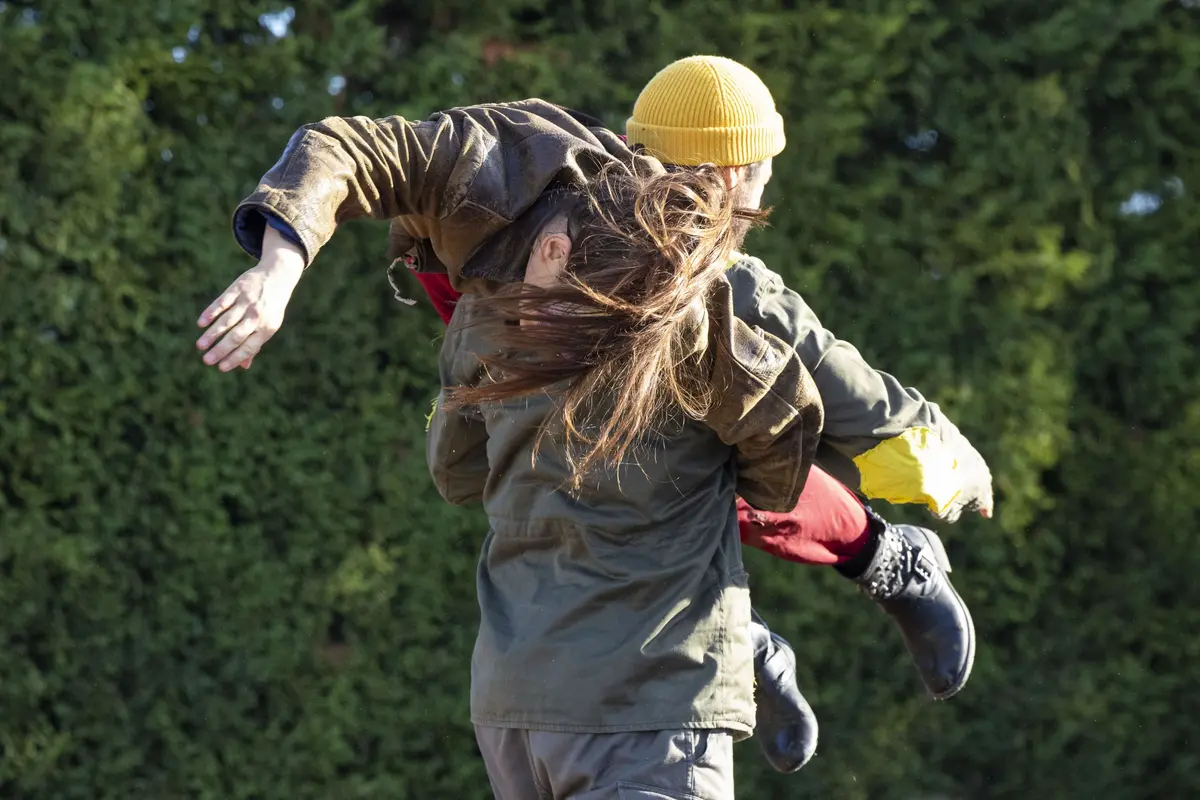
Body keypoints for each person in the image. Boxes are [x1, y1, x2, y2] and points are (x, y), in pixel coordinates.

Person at [195, 60, 993, 771]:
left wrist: (923, 460)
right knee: (612, 473)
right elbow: (344, 150)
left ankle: (880, 565)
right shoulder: (505, 166)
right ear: (734, 171)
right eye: (761, 175)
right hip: (515, 359)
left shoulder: (725, 290)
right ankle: (747, 633)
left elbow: (837, 396)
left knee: (689, 451)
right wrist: (279, 266)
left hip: (592, 380)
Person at [428, 164, 820, 797]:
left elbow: (457, 474)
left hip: (517, 708)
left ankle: (750, 643)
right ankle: (750, 642)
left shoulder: (481, 321)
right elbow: (784, 458)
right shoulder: (689, 333)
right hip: (647, 709)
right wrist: (704, 465)